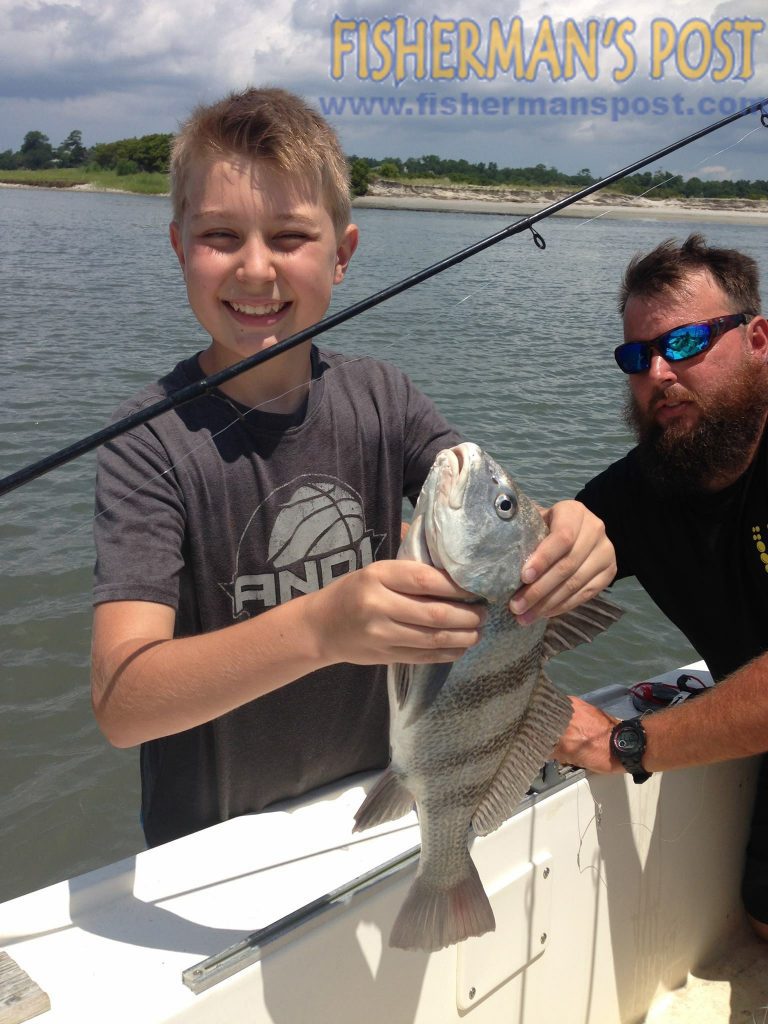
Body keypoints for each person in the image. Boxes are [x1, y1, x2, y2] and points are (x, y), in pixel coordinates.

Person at [91, 86, 614, 849]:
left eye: (292, 236)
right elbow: (122, 703)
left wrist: (571, 535)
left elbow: (494, 519)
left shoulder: (383, 399)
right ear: (179, 247)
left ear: (343, 253)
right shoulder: (149, 445)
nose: (257, 269)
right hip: (211, 844)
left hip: (382, 803)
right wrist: (321, 627)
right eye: (220, 235)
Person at [553, 233, 768, 939]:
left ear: (758, 337)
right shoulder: (644, 488)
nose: (657, 374)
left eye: (683, 344)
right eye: (635, 356)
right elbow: (529, 578)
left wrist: (627, 745)